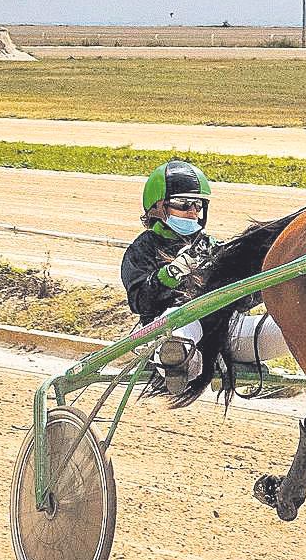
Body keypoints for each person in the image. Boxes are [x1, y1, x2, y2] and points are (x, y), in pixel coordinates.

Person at [121, 160, 289, 394]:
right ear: (158, 207)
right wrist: (173, 273)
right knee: (179, 318)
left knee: (291, 327)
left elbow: (242, 302)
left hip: (224, 332)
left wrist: (260, 283)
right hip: (168, 329)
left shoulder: (210, 245)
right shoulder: (141, 250)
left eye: (198, 205)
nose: (192, 212)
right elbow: (141, 301)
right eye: (184, 204)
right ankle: (178, 362)